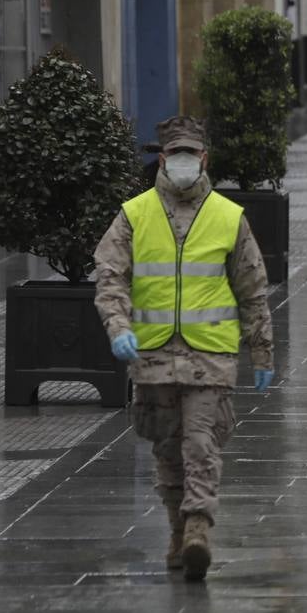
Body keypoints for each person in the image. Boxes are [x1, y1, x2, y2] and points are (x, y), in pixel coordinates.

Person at [94, 116, 274, 582]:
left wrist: (262, 351)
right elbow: (111, 278)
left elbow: (253, 288)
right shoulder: (134, 215)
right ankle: (177, 532)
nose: (182, 163)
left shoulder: (228, 217)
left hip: (209, 356)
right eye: (175, 155)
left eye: (190, 155)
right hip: (151, 357)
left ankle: (198, 528)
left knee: (201, 443)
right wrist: (117, 328)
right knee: (168, 450)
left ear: (204, 159)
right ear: (161, 158)